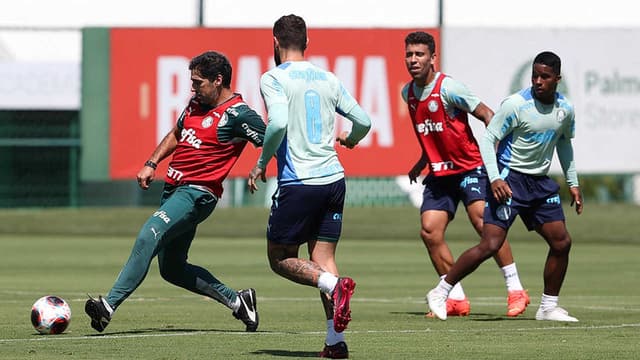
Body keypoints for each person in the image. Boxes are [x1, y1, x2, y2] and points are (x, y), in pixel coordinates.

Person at [85, 51, 266, 333]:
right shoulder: (196, 104)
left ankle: (108, 306)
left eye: (198, 82)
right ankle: (238, 302)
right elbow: (177, 133)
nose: (192, 88)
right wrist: (151, 162)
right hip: (174, 190)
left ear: (218, 81)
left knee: (150, 233)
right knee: (171, 269)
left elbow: (272, 139)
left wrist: (260, 167)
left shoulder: (239, 114)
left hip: (197, 193)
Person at [248, 14, 371, 359]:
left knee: (279, 257)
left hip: (301, 182)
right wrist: (350, 139)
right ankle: (335, 343)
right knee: (323, 257)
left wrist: (260, 163)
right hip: (334, 179)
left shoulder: (273, 78)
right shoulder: (329, 78)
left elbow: (278, 123)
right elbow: (363, 120)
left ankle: (336, 286)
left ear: (275, 42)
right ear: (307, 43)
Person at [427, 51, 583, 322]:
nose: (537, 81)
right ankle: (441, 292)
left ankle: (548, 307)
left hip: (539, 184)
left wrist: (573, 183)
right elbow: (488, 139)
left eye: (544, 76)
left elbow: (564, 143)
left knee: (561, 242)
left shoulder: (564, 110)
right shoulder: (515, 105)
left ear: (557, 79)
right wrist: (496, 178)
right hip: (510, 180)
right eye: (535, 75)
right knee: (490, 244)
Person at [402, 31, 529, 318]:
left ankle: (516, 289)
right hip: (440, 173)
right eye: (409, 54)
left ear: (433, 58)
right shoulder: (407, 93)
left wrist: (494, 160)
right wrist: (423, 159)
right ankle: (455, 298)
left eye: (419, 54)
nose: (413, 60)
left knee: (484, 224)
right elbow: (433, 132)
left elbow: (487, 114)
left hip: (470, 167)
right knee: (429, 231)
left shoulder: (449, 88)